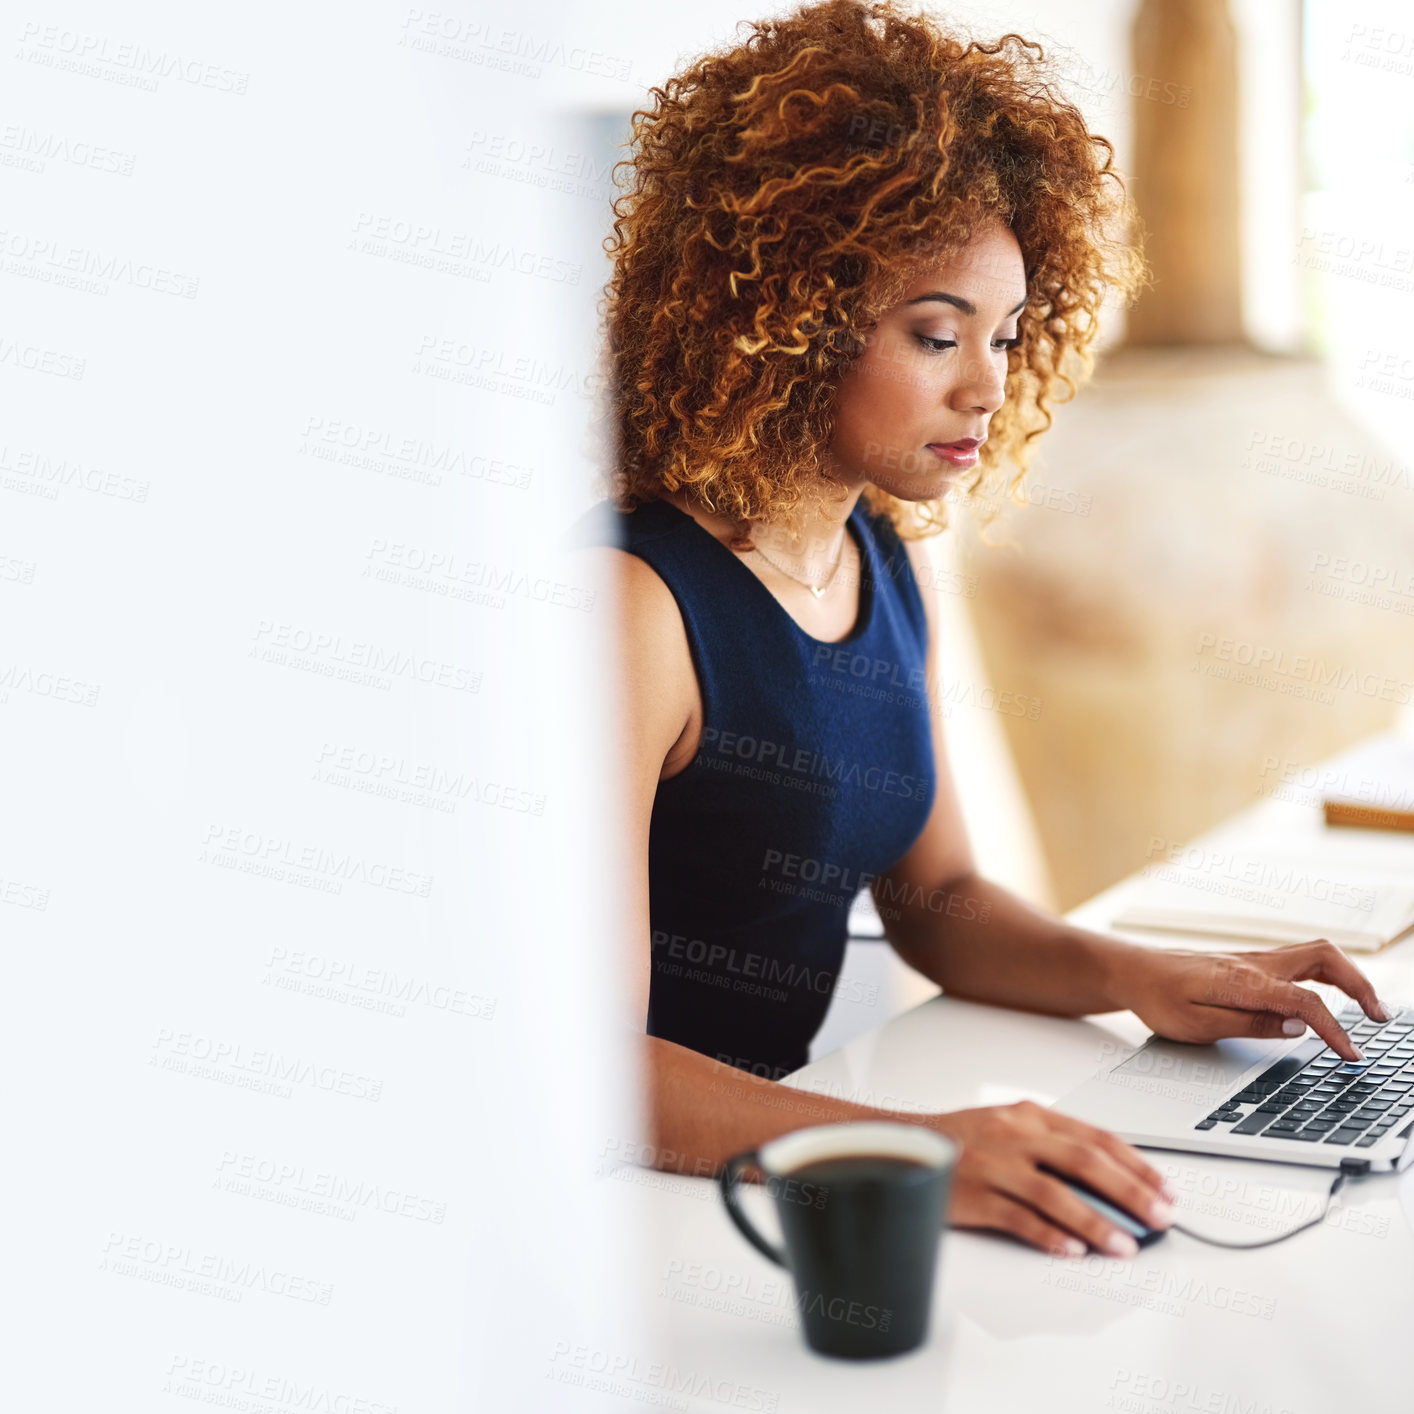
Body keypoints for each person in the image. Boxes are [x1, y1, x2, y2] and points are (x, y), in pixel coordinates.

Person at [577, 0, 1390, 1258]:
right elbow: (583, 1071)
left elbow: (938, 897)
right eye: (935, 333)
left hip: (777, 1183)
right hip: (641, 1211)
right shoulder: (632, 606)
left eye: (1005, 336)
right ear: (783, 321)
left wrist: (1138, 976)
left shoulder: (878, 552)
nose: (989, 383)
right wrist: (909, 1150)